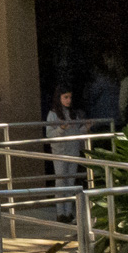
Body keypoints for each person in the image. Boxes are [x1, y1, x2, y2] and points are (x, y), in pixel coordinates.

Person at [45, 84, 87, 222]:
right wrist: (61, 129)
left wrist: (85, 128)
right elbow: (49, 135)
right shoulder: (52, 114)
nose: (69, 100)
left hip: (73, 151)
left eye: (70, 97)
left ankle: (68, 212)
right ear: (59, 98)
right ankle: (60, 213)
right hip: (60, 152)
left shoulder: (74, 113)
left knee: (70, 182)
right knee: (61, 182)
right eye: (65, 97)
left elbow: (76, 133)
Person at [84, 51, 122, 129]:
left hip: (103, 120)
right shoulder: (115, 79)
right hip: (115, 119)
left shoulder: (101, 80)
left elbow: (90, 97)